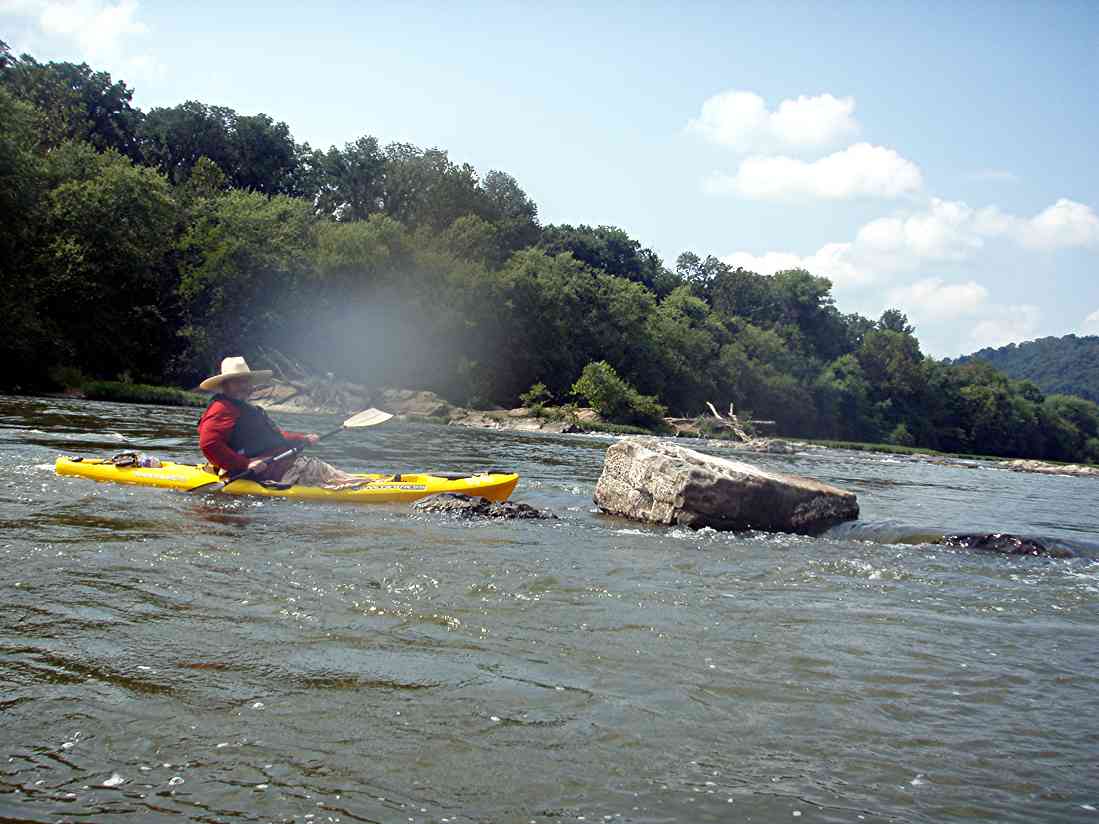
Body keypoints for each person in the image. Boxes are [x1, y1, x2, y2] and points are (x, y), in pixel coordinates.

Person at [197, 356, 362, 488]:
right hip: (267, 471)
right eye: (237, 381)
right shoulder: (222, 408)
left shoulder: (239, 407)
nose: (244, 386)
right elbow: (209, 444)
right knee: (316, 469)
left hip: (279, 465)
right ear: (225, 385)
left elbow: (269, 438)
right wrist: (246, 464)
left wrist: (302, 438)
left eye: (246, 381)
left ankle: (348, 480)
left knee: (319, 468)